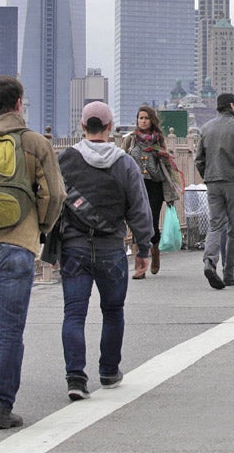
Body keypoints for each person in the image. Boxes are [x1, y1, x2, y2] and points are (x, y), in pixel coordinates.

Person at [0, 75, 66, 429]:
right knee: (9, 329)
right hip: (17, 246)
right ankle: (1, 405)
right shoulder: (35, 143)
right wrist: (40, 228)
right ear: (20, 103)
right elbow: (55, 194)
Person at [56, 102, 154, 401]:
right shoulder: (124, 163)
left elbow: (52, 200)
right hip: (111, 245)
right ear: (110, 127)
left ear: (83, 127)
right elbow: (139, 207)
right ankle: (109, 371)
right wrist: (143, 246)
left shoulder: (66, 160)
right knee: (112, 310)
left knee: (74, 312)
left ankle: (76, 377)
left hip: (73, 244)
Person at [195, 93, 234, 290]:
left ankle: (209, 262)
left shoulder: (206, 128)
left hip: (213, 181)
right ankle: (229, 273)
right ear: (231, 105)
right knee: (233, 229)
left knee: (215, 225)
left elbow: (199, 160)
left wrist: (208, 175)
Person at [121, 105, 181, 278]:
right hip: (135, 186)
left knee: (152, 222)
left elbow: (167, 165)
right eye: (141, 118)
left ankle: (154, 251)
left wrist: (162, 155)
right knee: (136, 222)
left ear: (151, 120)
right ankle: (140, 263)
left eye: (146, 118)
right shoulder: (131, 139)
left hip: (154, 186)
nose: (143, 121)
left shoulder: (158, 139)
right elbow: (122, 158)